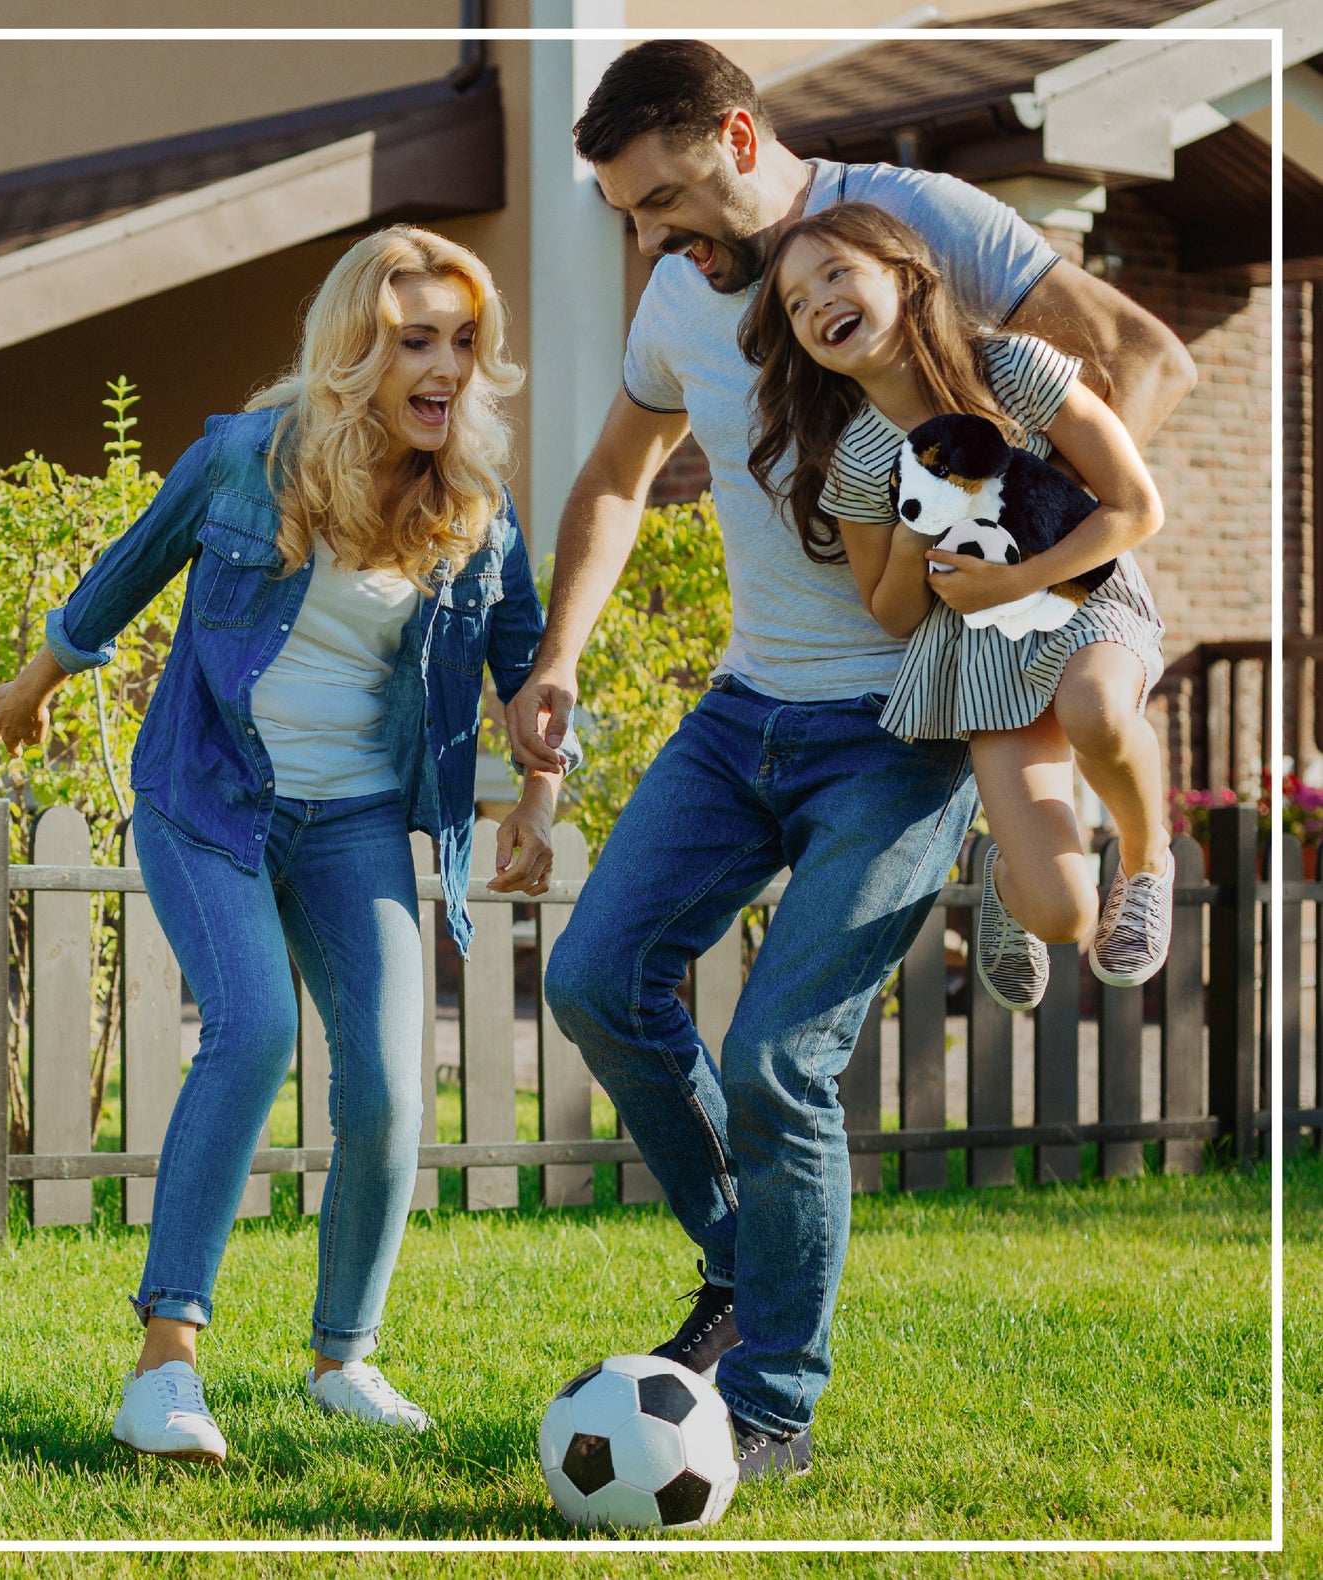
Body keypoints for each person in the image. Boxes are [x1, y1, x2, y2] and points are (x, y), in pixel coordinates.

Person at [508, 39, 1194, 1480]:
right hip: (744, 709)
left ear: (739, 136)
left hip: (909, 725)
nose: (650, 236)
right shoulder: (678, 295)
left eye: (667, 198)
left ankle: (769, 1404)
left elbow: (1143, 359)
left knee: (777, 1060)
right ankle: (747, 1269)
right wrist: (558, 656)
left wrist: (1023, 561)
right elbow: (618, 479)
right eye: (630, 213)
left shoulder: (924, 223)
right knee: (593, 983)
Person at [0, 226, 577, 1464]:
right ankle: (164, 1369)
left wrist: (537, 794)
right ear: (355, 348)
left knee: (392, 1084)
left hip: (355, 818)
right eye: (417, 340)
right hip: (211, 796)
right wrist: (35, 683)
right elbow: (125, 570)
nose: (446, 367)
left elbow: (527, 666)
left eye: (465, 343)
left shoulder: (472, 503)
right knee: (249, 1029)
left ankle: (342, 1358)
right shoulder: (246, 458)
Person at [741, 202, 1172, 1010]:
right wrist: (913, 531)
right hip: (978, 656)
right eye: (795, 304)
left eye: (835, 273)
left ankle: (1147, 861)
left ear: (904, 277)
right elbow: (895, 614)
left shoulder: (1010, 369)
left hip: (1084, 600)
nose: (816, 303)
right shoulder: (860, 461)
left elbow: (1134, 509)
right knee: (1060, 913)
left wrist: (1018, 578)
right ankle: (1011, 883)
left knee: (1095, 707)